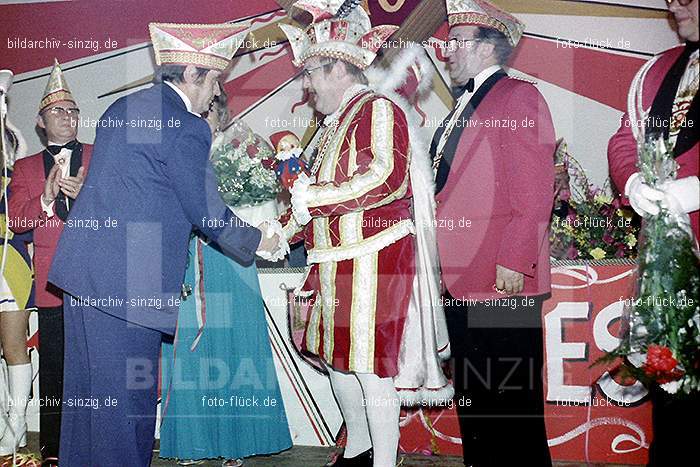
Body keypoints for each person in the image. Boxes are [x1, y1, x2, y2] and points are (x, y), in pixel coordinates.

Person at [47, 23, 285, 466]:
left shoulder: (124, 107)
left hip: (82, 277)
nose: (214, 94)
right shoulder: (186, 126)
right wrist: (262, 239)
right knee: (127, 413)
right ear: (193, 72)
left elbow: (138, 193)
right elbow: (206, 211)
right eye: (213, 80)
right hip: (128, 287)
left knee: (86, 411)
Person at [279, 2, 451, 466]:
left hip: (374, 260)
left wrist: (310, 201)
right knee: (338, 361)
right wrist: (278, 234)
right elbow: (312, 197)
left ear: (337, 68)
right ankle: (358, 451)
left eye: (312, 73)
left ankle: (384, 463)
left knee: (371, 369)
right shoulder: (333, 125)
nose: (307, 85)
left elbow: (385, 176)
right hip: (334, 261)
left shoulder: (376, 108)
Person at [432, 1, 555, 465]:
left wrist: (515, 259)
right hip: (461, 277)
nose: (447, 51)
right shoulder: (461, 104)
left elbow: (535, 190)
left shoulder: (519, 97)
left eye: (457, 42)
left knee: (510, 408)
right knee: (478, 404)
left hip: (500, 279)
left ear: (488, 47)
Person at [159, 91, 292, 466]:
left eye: (211, 110)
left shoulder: (243, 148)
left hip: (231, 258)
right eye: (199, 111)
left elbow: (261, 204)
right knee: (189, 347)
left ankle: (238, 442)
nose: (206, 115)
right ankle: (193, 443)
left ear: (221, 112)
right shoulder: (182, 147)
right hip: (189, 257)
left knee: (236, 345)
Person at [607, 1, 698, 465]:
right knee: (672, 387)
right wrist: (632, 181)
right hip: (666, 267)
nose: (673, 3)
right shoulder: (657, 68)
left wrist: (698, 190)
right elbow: (625, 137)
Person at [7, 60, 92, 462]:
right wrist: (43, 199)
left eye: (73, 111)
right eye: (59, 111)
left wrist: (89, 197)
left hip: (97, 282)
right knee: (55, 371)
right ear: (41, 122)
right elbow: (17, 222)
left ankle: (96, 447)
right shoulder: (23, 168)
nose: (68, 118)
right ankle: (55, 452)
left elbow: (124, 212)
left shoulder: (100, 156)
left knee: (96, 370)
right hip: (52, 284)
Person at [0, 117, 35, 458]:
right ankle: (2, 426)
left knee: (13, 347)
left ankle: (17, 423)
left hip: (10, 266)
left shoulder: (14, 181)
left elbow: (22, 222)